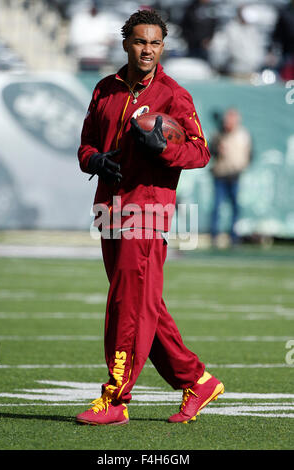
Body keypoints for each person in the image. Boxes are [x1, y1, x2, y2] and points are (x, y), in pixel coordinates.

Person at [76, 9, 224, 426]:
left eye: (155, 43)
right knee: (143, 305)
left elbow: (200, 152)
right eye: (140, 41)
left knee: (128, 305)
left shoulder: (174, 95)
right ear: (126, 43)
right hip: (109, 209)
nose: (147, 49)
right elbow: (86, 144)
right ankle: (197, 379)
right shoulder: (105, 88)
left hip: (147, 212)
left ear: (163, 47)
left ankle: (115, 398)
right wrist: (96, 161)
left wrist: (164, 149)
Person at [210, 108, 252, 245]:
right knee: (217, 206)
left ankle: (234, 236)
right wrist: (218, 149)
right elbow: (210, 151)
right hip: (220, 174)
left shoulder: (243, 134)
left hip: (235, 175)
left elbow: (250, 154)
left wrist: (242, 165)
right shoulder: (218, 134)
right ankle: (215, 235)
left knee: (235, 207)